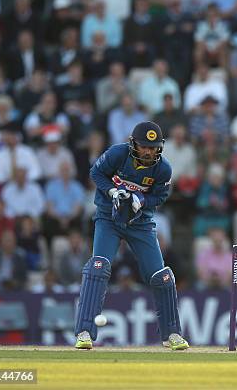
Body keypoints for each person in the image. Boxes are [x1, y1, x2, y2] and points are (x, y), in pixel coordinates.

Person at [74, 121, 189, 351]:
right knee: (98, 266)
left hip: (141, 223)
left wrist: (142, 201)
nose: (148, 151)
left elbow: (160, 195)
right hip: (109, 218)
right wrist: (113, 191)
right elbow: (96, 172)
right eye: (144, 146)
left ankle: (172, 334)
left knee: (162, 276)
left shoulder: (163, 168)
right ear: (134, 143)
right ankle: (84, 332)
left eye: (153, 147)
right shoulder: (117, 154)